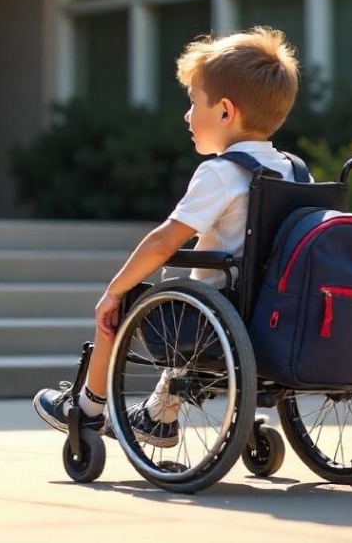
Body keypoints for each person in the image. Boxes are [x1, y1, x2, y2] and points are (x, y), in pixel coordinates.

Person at [32, 26, 300, 447]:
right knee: (191, 298)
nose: (187, 115)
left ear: (226, 112)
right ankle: (159, 414)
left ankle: (87, 407)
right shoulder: (294, 171)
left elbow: (163, 242)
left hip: (212, 318)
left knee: (126, 305)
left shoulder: (221, 173)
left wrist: (115, 288)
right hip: (271, 318)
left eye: (194, 103)